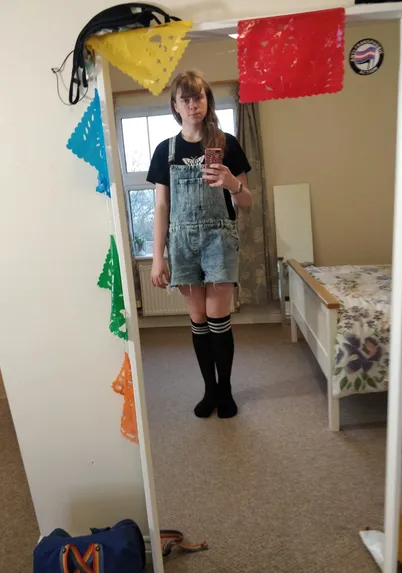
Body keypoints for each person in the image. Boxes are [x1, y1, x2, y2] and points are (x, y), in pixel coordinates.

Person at [147, 70, 252, 419]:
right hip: (182, 240)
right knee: (197, 319)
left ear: (207, 101)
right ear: (175, 106)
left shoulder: (227, 143)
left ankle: (226, 391)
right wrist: (157, 257)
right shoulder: (165, 151)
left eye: (199, 97)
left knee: (218, 317)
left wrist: (232, 183)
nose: (193, 105)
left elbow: (248, 200)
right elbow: (162, 207)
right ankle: (209, 390)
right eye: (185, 99)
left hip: (219, 238)